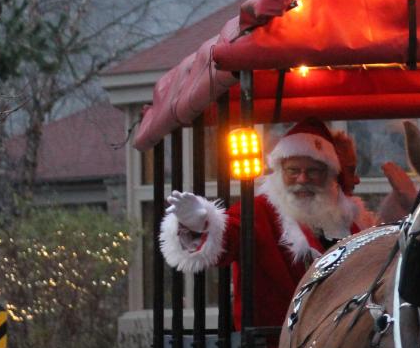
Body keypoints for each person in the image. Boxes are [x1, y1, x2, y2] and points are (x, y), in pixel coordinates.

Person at [160, 118, 376, 329]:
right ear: (280, 170)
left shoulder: (350, 217)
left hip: (344, 335)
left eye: (313, 171)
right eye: (293, 170)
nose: (302, 179)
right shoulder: (259, 211)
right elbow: (229, 236)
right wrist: (201, 223)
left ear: (329, 174)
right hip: (277, 344)